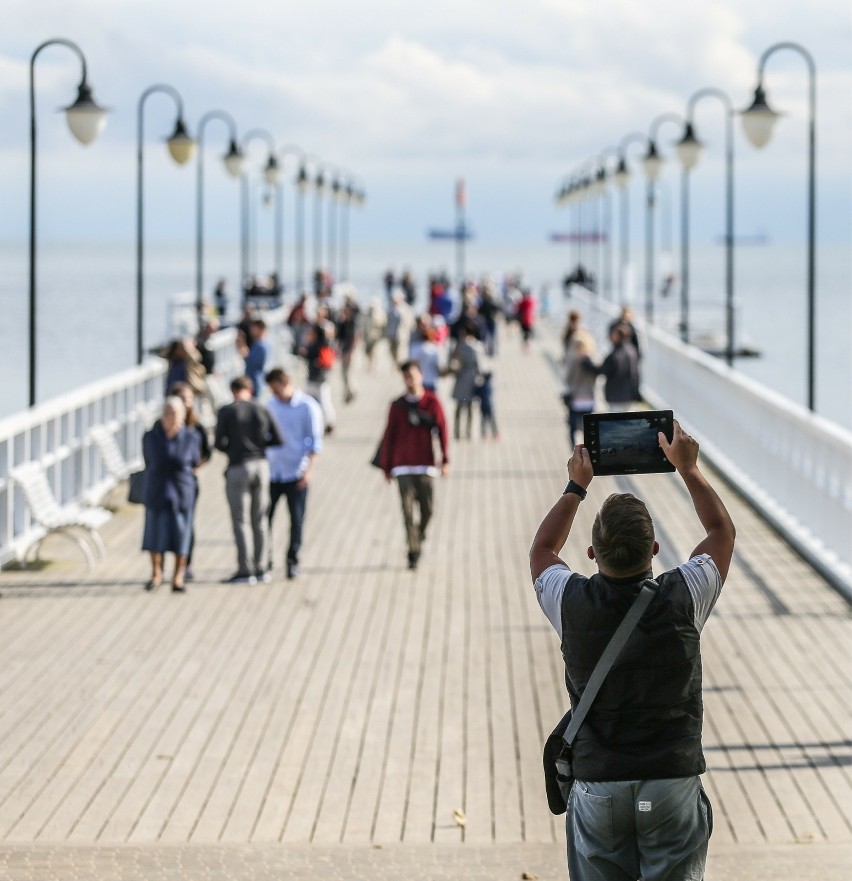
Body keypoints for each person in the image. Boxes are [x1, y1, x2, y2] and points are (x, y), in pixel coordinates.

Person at [529, 421, 735, 881]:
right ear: (656, 550)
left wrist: (575, 486)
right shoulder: (683, 595)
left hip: (600, 786)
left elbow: (542, 548)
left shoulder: (571, 602)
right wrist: (689, 469)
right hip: (670, 785)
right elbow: (721, 531)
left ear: (591, 552)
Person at [377, 361, 450, 571]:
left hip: (426, 465)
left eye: (413, 375)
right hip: (402, 466)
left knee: (428, 510)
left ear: (421, 375)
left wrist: (445, 460)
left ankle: (418, 536)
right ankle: (413, 551)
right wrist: (386, 466)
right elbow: (389, 435)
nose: (410, 379)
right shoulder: (397, 405)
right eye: (406, 376)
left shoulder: (432, 402)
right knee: (408, 512)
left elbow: (443, 430)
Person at [214, 375, 284, 584]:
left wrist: (233, 450)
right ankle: (262, 568)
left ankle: (245, 570)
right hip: (261, 466)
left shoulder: (227, 411)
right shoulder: (261, 408)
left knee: (240, 520)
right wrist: (260, 446)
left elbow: (218, 443)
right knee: (260, 519)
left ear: (233, 390)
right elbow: (278, 439)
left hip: (238, 466)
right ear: (250, 389)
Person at [265, 367, 324, 580]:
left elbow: (315, 443)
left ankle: (292, 560)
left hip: (297, 472)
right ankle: (266, 557)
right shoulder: (270, 405)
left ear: (286, 383)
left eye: (276, 389)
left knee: (296, 519)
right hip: (273, 472)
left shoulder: (307, 406)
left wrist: (308, 471)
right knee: (266, 517)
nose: (274, 394)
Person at [141, 396, 201, 593]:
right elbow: (150, 459)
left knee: (181, 533)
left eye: (175, 414)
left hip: (181, 490)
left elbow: (193, 460)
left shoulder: (191, 437)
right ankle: (156, 573)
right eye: (167, 413)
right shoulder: (151, 436)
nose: (171, 418)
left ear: (183, 416)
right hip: (157, 488)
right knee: (154, 532)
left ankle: (178, 576)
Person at [167, 382, 212, 581]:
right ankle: (162, 566)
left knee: (187, 523)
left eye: (190, 400)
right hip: (166, 483)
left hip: (188, 482)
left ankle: (186, 564)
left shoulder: (196, 426)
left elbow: (208, 452)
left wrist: (195, 467)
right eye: (183, 399)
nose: (187, 403)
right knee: (165, 523)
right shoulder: (163, 424)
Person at [564, 337, 598, 446]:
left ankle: (574, 447)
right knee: (587, 426)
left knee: (573, 425)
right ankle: (587, 448)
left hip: (576, 398)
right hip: (589, 398)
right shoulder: (592, 361)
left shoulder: (575, 362)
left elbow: (569, 379)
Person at [450, 324, 481, 441]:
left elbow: (452, 361)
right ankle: (468, 432)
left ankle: (457, 431)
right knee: (469, 407)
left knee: (458, 407)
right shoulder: (477, 346)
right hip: (471, 379)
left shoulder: (459, 346)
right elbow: (480, 366)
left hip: (461, 377)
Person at [599, 323, 641, 411]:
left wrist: (586, 364)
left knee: (615, 422)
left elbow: (603, 370)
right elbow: (635, 374)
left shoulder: (615, 354)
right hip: (629, 395)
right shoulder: (632, 351)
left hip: (615, 396)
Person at [239, 318, 271, 398]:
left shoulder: (261, 346)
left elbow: (251, 362)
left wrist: (242, 346)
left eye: (253, 328)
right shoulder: (258, 343)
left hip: (255, 381)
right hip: (254, 380)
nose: (251, 330)